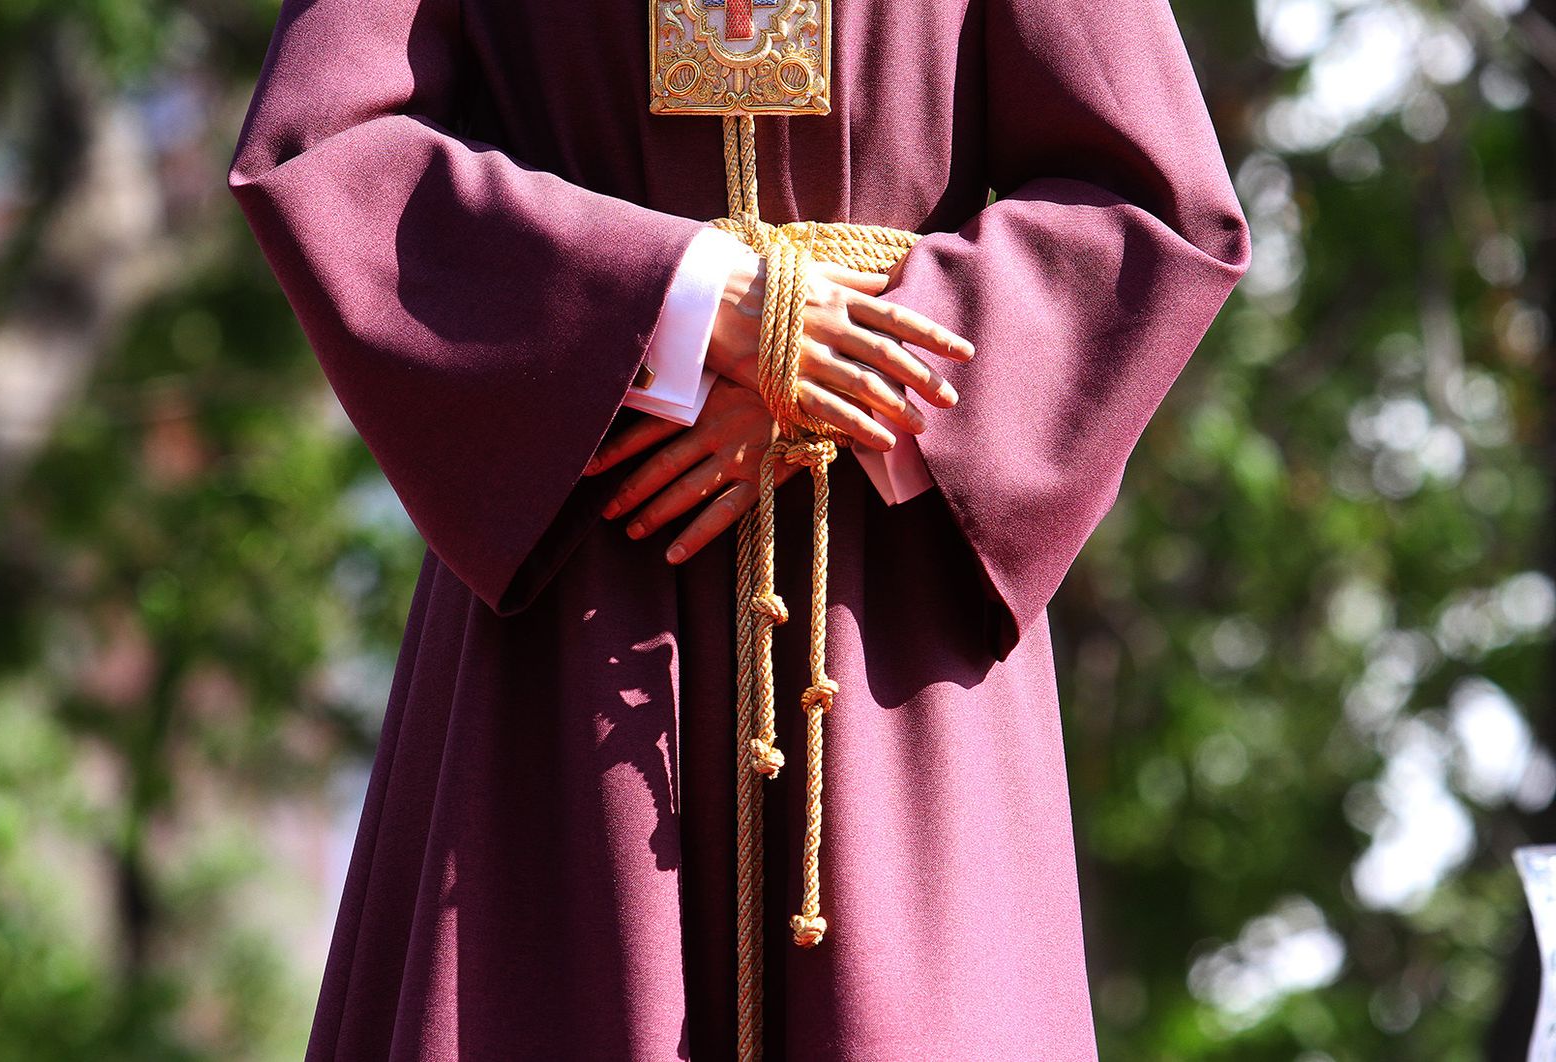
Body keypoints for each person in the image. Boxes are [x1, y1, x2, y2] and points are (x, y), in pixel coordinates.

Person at [228, 0, 1250, 1055]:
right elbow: (324, 143)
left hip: (886, 603)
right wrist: (682, 305)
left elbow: (1157, 211)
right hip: (581, 565)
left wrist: (835, 370)